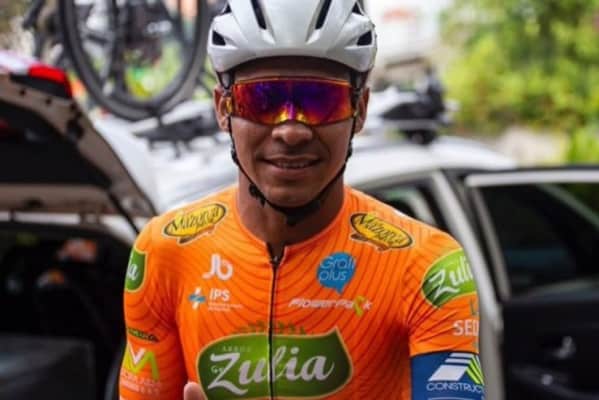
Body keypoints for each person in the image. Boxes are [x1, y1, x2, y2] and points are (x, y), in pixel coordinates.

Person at [119, 1, 485, 399]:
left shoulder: (426, 267)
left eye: (320, 100)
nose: (291, 130)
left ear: (360, 110)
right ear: (223, 109)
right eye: (262, 99)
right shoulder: (165, 253)